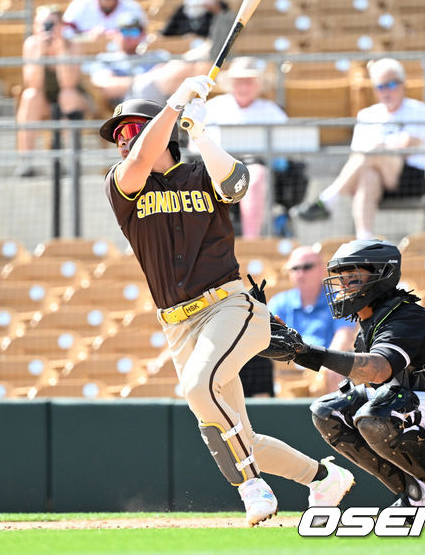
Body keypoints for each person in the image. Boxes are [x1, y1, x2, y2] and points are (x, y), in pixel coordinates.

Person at [100, 78, 354, 526]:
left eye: (128, 130)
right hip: (177, 325)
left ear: (159, 130)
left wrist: (198, 132)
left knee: (199, 390)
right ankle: (323, 478)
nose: (121, 141)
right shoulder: (122, 184)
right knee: (241, 438)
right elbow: (140, 159)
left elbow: (238, 184)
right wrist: (176, 102)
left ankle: (252, 487)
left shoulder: (200, 171)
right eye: (116, 135)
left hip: (229, 305)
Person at [283, 239, 425, 524]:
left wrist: (311, 353)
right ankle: (420, 495)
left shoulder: (405, 317)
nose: (344, 285)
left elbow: (378, 370)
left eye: (354, 277)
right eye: (342, 278)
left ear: (382, 276)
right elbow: (369, 385)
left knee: (383, 410)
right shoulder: (370, 326)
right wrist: (295, 352)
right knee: (332, 410)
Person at [297, 58, 425, 240]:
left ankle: (329, 199)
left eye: (391, 84)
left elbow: (407, 144)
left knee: (374, 151)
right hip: (372, 176)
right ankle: (364, 240)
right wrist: (382, 149)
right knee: (369, 175)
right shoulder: (367, 114)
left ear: (403, 85)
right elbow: (358, 155)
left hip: (411, 178)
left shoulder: (419, 110)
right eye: (380, 87)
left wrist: (380, 147)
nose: (386, 91)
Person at [204, 56, 306, 238]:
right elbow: (197, 144)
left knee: (256, 175)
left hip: (261, 169)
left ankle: (252, 241)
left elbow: (288, 147)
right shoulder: (213, 108)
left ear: (258, 85)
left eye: (249, 81)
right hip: (217, 168)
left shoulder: (272, 112)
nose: (244, 87)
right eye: (239, 82)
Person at [268, 246, 356, 394]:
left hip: (326, 368)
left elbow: (344, 335)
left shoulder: (338, 299)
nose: (300, 273)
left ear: (322, 270)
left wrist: (329, 363)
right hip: (287, 369)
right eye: (294, 268)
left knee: (335, 371)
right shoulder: (279, 302)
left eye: (307, 267)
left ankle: (335, 416)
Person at [15, 5, 90, 177]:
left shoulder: (72, 45)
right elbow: (33, 82)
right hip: (44, 98)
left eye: (50, 24)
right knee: (30, 96)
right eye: (42, 24)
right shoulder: (32, 45)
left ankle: (71, 162)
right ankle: (26, 162)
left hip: (72, 98)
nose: (46, 29)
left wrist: (61, 49)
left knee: (67, 96)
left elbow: (69, 83)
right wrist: (41, 53)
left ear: (61, 26)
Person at [87, 13, 210, 111]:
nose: (129, 36)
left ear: (143, 35)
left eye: (134, 31)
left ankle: (211, 47)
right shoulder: (106, 59)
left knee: (192, 67)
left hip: (165, 102)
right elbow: (104, 85)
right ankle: (210, 48)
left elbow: (178, 74)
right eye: (124, 31)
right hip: (128, 105)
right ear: (115, 34)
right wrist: (150, 78)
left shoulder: (157, 55)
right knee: (182, 65)